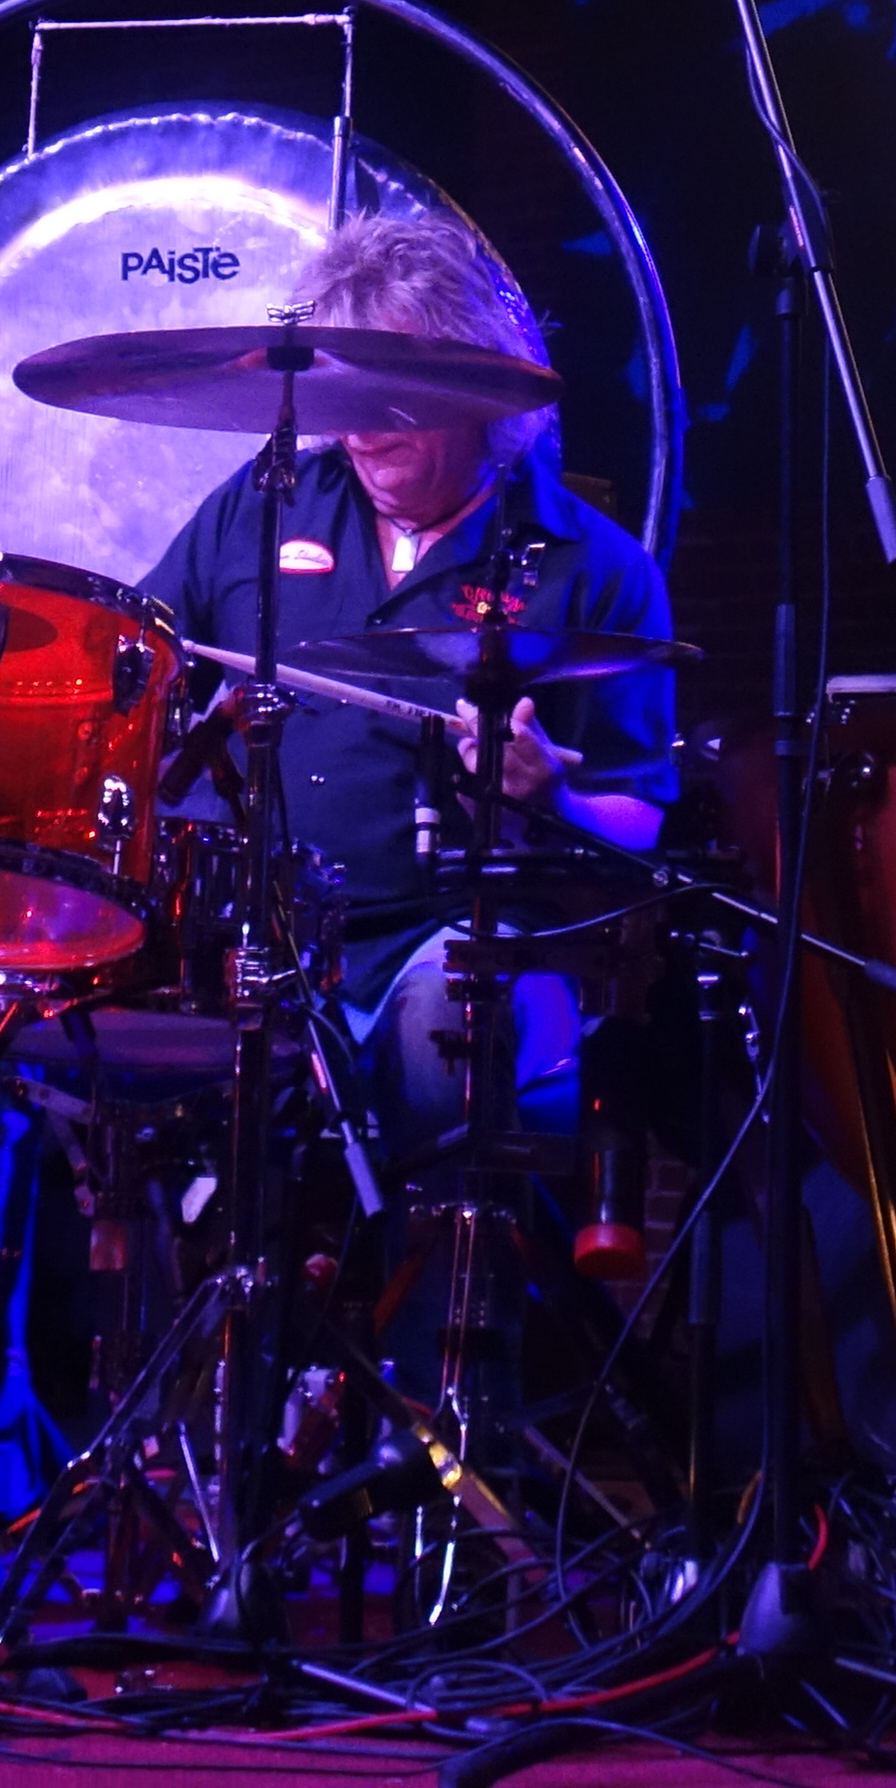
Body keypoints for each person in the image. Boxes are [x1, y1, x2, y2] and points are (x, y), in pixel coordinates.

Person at [130, 210, 679, 1162]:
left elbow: (642, 825)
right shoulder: (263, 507)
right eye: (342, 388)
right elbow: (138, 667)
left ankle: (442, 1256)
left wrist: (552, 796)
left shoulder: (595, 568)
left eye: (386, 394)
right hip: (253, 933)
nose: (357, 426)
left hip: (459, 939)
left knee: (442, 1036)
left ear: (476, 386)